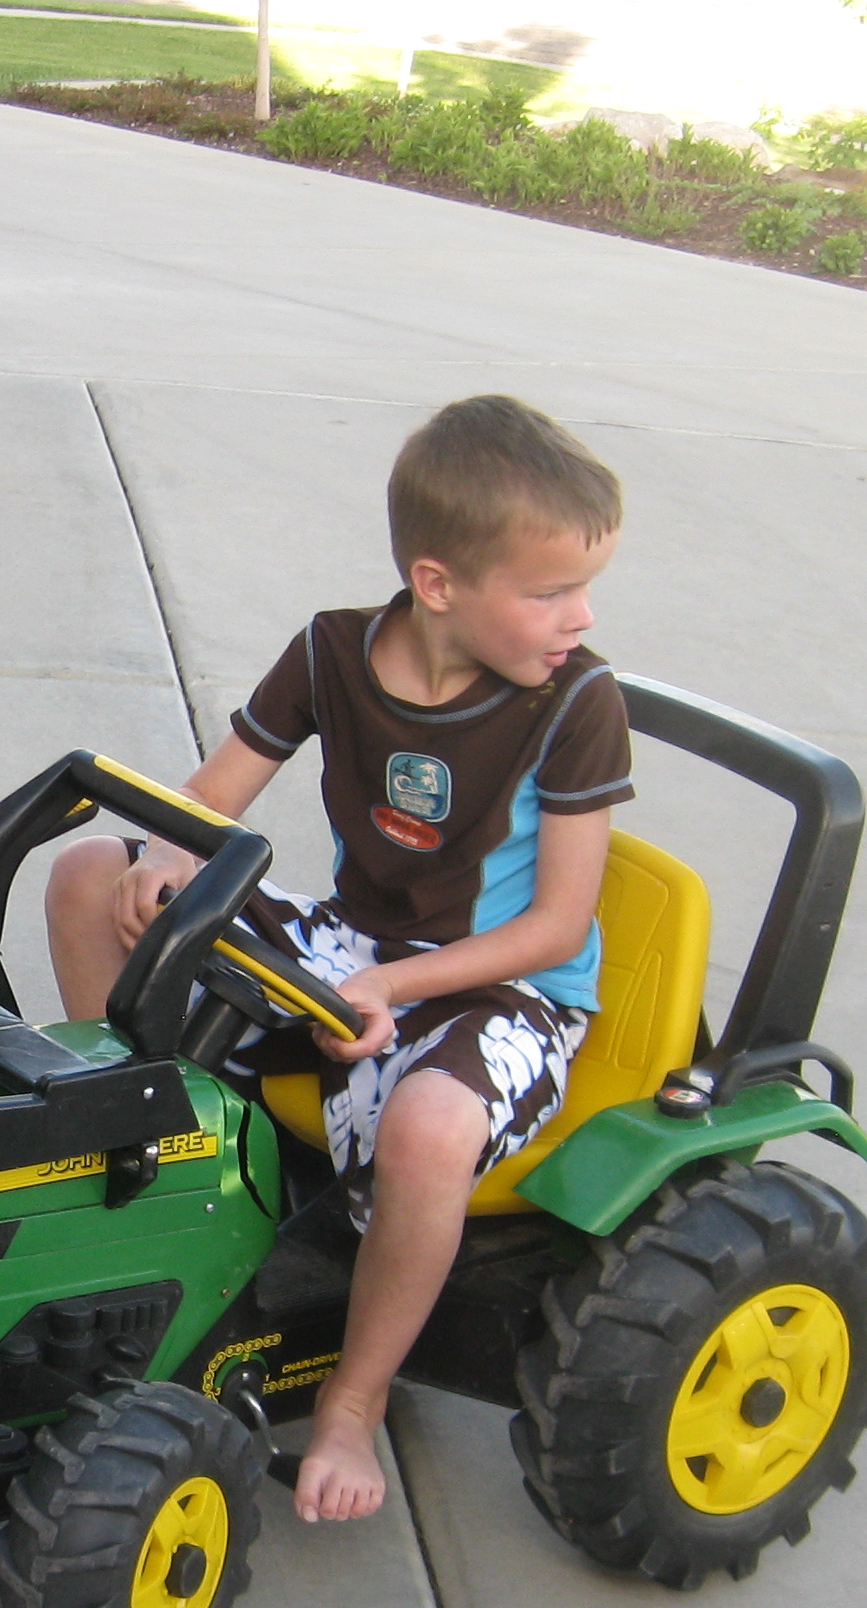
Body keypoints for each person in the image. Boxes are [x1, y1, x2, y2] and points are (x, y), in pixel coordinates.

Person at [44, 395, 632, 1527]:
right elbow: (213, 798)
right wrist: (161, 859)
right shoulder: (331, 651)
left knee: (427, 1127)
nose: (581, 615)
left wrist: (394, 989)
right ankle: (144, 1152)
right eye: (551, 591)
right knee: (85, 876)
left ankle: (355, 1405)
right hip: (353, 942)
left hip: (500, 988)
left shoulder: (579, 702)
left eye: (584, 589)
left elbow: (559, 929)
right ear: (440, 582)